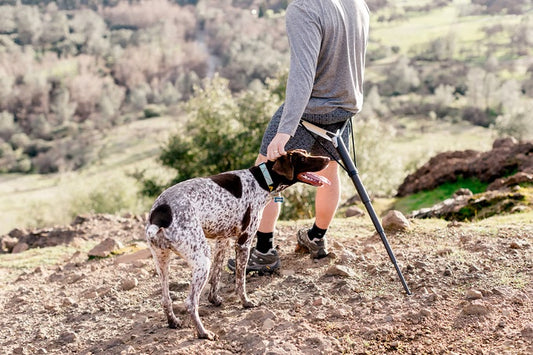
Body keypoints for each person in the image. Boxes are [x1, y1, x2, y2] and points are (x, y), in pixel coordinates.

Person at [229, 0, 370, 273]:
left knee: (264, 176)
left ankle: (263, 251)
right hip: (343, 109)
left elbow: (301, 76)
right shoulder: (357, 3)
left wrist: (285, 130)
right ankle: (316, 238)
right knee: (330, 170)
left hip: (310, 111)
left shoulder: (304, 8)